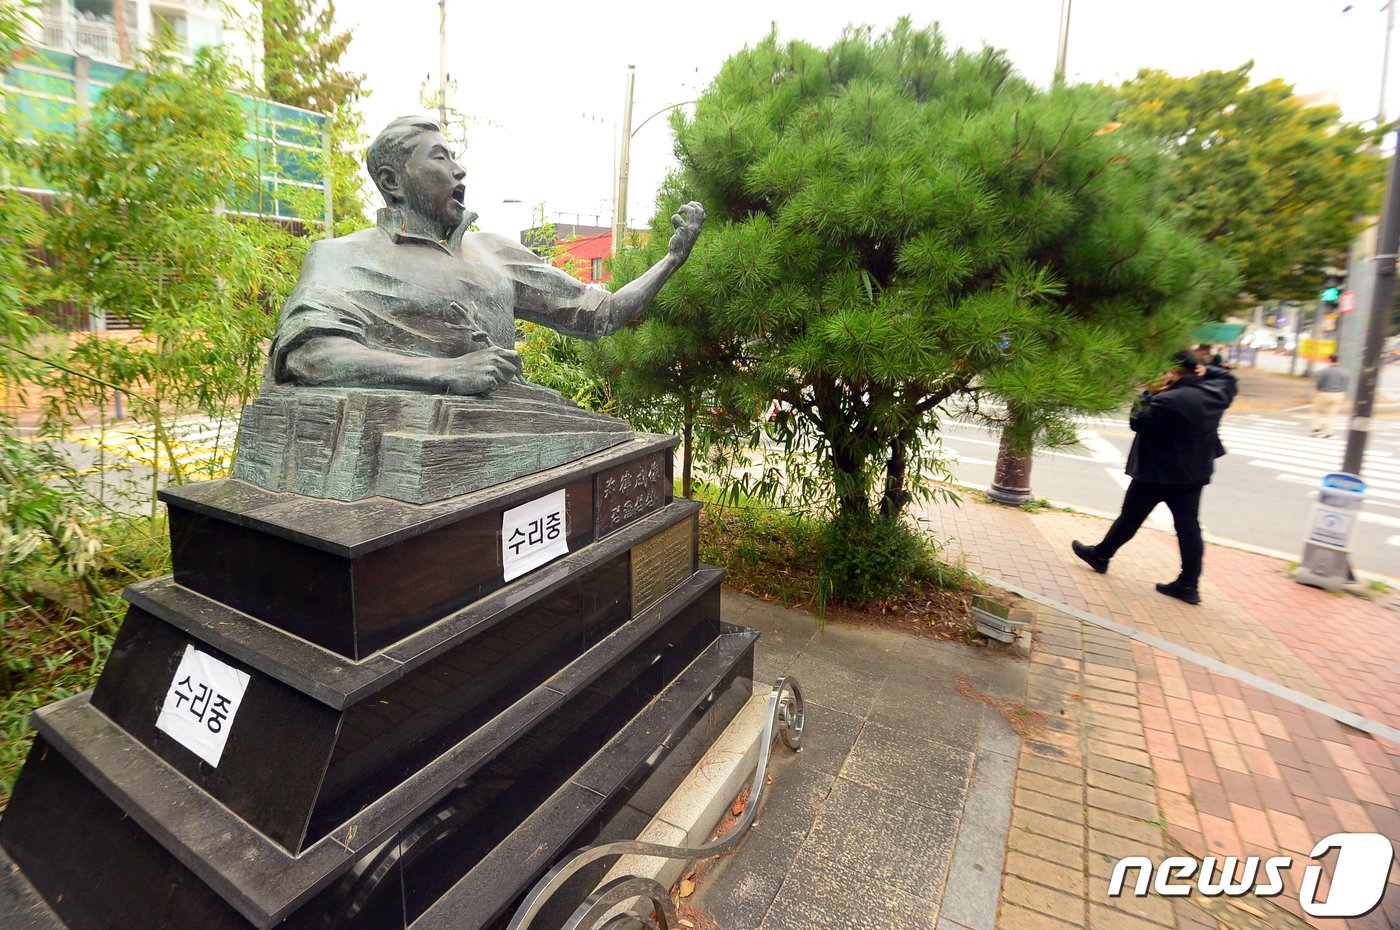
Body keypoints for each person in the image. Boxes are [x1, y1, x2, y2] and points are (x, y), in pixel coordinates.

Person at [271, 116, 705, 395]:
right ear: (393, 181)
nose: (460, 171)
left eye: (456, 157)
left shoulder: (494, 251)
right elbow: (309, 354)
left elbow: (599, 315)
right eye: (440, 158)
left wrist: (670, 262)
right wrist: (445, 372)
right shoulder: (340, 258)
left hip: (514, 426)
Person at [1071, 351, 1238, 605]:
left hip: (1157, 472)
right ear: (1197, 368)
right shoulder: (1217, 392)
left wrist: (1147, 393)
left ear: (1172, 370)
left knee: (1131, 516)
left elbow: (1138, 422)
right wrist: (1207, 370)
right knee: (1188, 527)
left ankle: (1101, 555)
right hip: (1194, 472)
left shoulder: (1169, 400)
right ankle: (1189, 584)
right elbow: (1229, 378)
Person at [1312, 354, 1348, 439]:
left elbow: (1319, 383)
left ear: (1329, 361)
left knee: (1317, 411)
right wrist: (1343, 394)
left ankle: (1316, 429)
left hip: (1325, 394)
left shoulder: (1324, 371)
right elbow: (1345, 385)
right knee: (1332, 415)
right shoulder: (1344, 372)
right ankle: (1329, 432)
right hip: (1338, 395)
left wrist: (1317, 391)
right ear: (1338, 361)